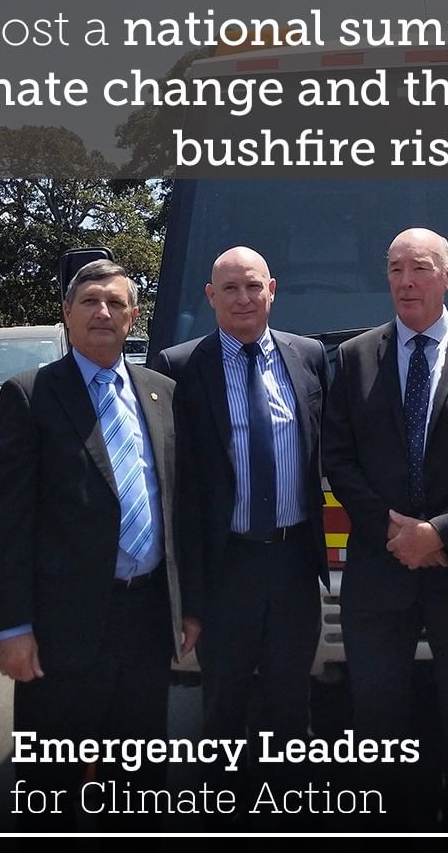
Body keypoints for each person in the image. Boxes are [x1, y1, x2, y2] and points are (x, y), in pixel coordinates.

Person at [322, 228, 448, 829]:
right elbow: (339, 459)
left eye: (420, 269)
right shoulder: (355, 357)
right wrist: (396, 533)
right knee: (379, 732)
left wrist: (439, 534)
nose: (406, 281)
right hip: (379, 579)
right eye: (394, 270)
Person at [0, 259, 198, 826]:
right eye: (89, 302)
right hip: (61, 630)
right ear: (67, 314)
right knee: (51, 790)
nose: (102, 312)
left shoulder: (163, 393)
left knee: (140, 788)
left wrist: (188, 606)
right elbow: (7, 522)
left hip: (148, 621)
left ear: (133, 316)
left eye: (115, 303)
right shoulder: (30, 395)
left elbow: (181, 507)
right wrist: (13, 628)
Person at [152, 248, 328, 774]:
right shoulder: (180, 367)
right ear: (210, 296)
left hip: (295, 562)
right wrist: (185, 590)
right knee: (222, 711)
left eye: (253, 286)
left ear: (272, 288)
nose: (243, 298)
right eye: (230, 288)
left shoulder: (310, 355)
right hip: (226, 566)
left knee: (292, 707)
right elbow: (175, 484)